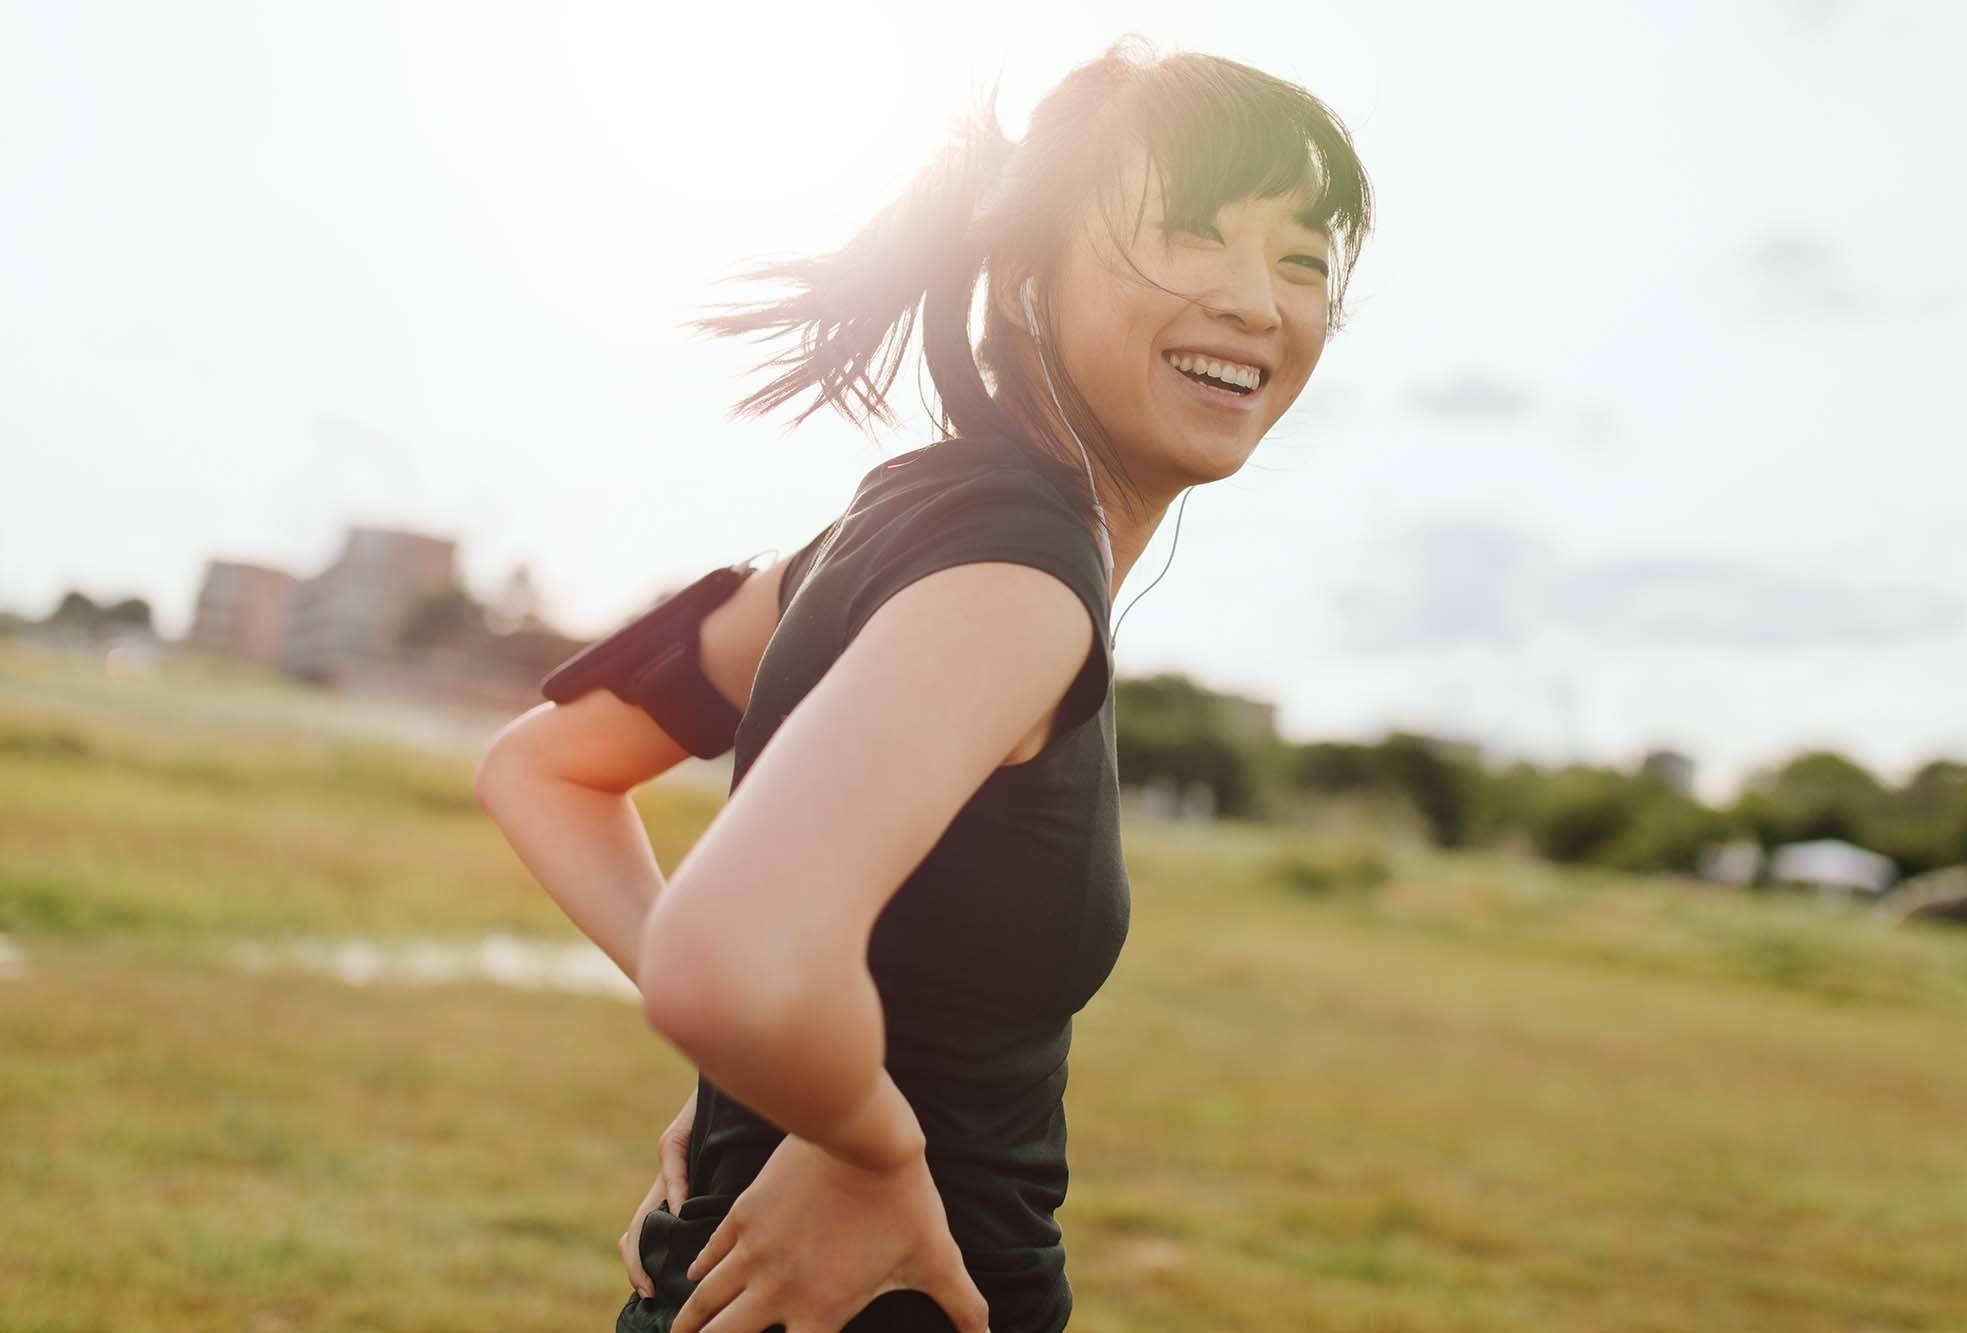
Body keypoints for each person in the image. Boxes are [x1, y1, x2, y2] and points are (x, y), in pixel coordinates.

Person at [476, 33, 1372, 1333]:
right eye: (1188, 234)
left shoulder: (874, 531)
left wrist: (783, 1073)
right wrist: (865, 1144)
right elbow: (727, 954)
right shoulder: (1018, 581)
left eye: (1302, 259)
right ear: (1022, 282)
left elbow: (539, 762)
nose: (1257, 302)